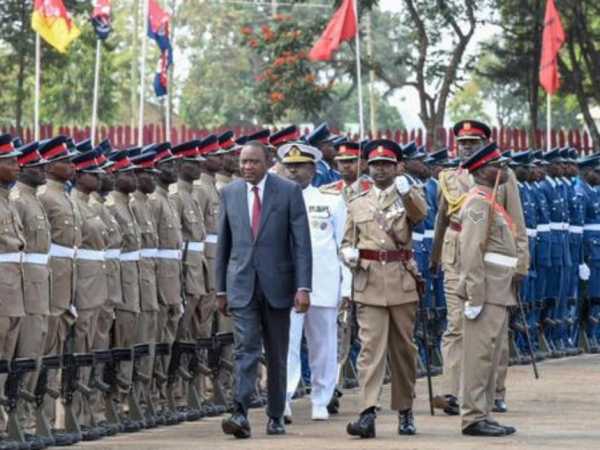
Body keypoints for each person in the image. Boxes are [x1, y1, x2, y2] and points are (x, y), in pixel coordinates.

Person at [430, 120, 528, 415]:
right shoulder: (446, 177)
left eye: (473, 143)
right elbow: (441, 220)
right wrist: (435, 257)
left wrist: (520, 263)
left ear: (486, 144)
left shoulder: (502, 176)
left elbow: (517, 222)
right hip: (455, 255)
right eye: (462, 143)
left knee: (491, 327)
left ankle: (495, 389)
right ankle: (452, 391)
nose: (466, 148)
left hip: (491, 260)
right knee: (456, 325)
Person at [216, 141, 312, 439]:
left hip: (278, 286)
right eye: (243, 162)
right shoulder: (229, 193)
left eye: (253, 162)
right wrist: (220, 289)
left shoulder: (287, 191)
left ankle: (275, 415)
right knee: (245, 349)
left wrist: (303, 286)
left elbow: (301, 244)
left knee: (277, 353)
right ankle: (240, 411)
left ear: (268, 162)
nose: (247, 167)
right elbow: (224, 245)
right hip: (242, 286)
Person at [341, 139, 427, 439]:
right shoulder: (357, 201)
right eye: (375, 164)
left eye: (387, 164)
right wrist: (348, 255)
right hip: (370, 282)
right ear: (368, 166)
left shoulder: (408, 196)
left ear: (397, 167)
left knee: (403, 349)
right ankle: (367, 413)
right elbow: (346, 242)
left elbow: (420, 215)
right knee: (369, 350)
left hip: (402, 280)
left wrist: (406, 192)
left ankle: (405, 410)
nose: (380, 169)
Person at [278, 142, 349, 422]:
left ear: (313, 169)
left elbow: (344, 246)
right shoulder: (275, 201)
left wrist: (346, 286)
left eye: (300, 166)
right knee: (286, 344)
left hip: (323, 282)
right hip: (287, 285)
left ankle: (321, 398)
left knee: (324, 345)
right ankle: (282, 399)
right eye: (289, 166)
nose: (294, 171)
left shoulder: (330, 200)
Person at [455, 142, 517, 437]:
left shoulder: (489, 199)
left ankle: (484, 412)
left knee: (490, 358)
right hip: (486, 291)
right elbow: (471, 251)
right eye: (498, 165)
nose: (503, 170)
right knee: (479, 357)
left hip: (498, 289)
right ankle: (472, 416)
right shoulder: (478, 203)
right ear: (483, 171)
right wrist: (475, 295)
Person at [37, 136, 82, 431]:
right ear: (51, 166)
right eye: (65, 161)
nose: (72, 165)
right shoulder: (44, 197)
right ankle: (41, 418)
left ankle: (53, 420)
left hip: (69, 277)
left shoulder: (64, 195)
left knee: (59, 348)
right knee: (45, 346)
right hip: (52, 277)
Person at [10, 141, 51, 434]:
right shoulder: (18, 200)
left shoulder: (27, 200)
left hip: (35, 284)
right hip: (15, 286)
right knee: (13, 354)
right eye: (34, 166)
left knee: (32, 350)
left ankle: (21, 421)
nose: (42, 170)